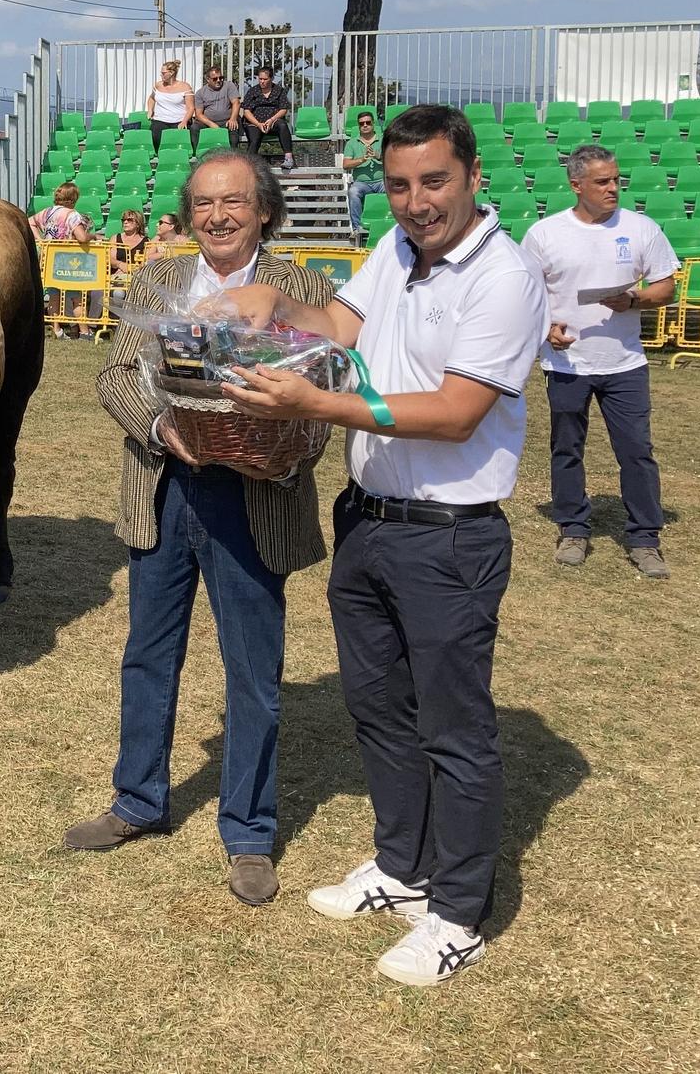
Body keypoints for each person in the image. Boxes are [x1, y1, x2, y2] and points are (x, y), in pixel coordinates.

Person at [218, 104, 545, 986]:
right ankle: (404, 870)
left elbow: (455, 412)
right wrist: (275, 302)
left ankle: (458, 914)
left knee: (454, 731)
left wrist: (314, 406)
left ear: (472, 175)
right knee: (381, 714)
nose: (415, 202)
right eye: (399, 185)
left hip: (450, 537)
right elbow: (341, 328)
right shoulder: (396, 251)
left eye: (433, 181)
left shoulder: (504, 278)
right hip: (368, 519)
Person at [66, 151, 335, 908]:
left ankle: (249, 832)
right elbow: (117, 374)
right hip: (166, 485)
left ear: (264, 211)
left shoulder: (306, 288)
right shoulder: (159, 280)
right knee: (148, 654)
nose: (218, 216)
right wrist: (159, 426)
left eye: (235, 202)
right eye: (205, 204)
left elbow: (324, 392)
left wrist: (282, 452)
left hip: (254, 494)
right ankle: (137, 802)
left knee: (252, 670)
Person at [520, 145, 679, 578]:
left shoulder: (642, 229)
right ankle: (573, 528)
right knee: (566, 449)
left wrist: (635, 299)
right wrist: (546, 329)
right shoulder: (544, 235)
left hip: (626, 364)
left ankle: (645, 538)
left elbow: (668, 288)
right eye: (603, 181)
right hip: (567, 363)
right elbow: (528, 297)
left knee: (636, 451)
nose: (613, 188)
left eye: (615, 179)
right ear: (576, 185)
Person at [30, 181, 93, 339]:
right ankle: (85, 332)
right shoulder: (72, 215)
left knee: (54, 296)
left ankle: (57, 329)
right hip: (68, 259)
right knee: (76, 298)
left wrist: (41, 240)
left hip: (49, 257)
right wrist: (93, 236)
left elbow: (30, 221)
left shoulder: (48, 212)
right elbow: (81, 237)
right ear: (73, 199)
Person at [237, 68, 291, 167]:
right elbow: (246, 111)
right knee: (254, 139)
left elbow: (283, 109)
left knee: (282, 125)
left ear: (271, 78)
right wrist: (258, 124)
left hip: (273, 121)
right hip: (254, 122)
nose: (262, 81)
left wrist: (271, 120)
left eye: (265, 79)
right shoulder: (253, 91)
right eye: (260, 79)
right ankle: (249, 165)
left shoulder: (279, 91)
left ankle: (288, 158)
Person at [342, 110, 383, 237]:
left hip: (382, 181)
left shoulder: (383, 140)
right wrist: (362, 159)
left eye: (368, 122)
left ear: (373, 124)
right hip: (362, 183)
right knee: (353, 191)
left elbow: (394, 160)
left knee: (394, 189)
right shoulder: (352, 143)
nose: (365, 125)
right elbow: (345, 165)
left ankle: (391, 224)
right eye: (361, 123)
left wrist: (378, 156)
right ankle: (356, 228)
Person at [149, 61, 192, 153]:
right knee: (155, 134)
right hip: (160, 120)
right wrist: (150, 110)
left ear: (171, 73)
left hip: (178, 120)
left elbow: (191, 108)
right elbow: (151, 98)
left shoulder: (185, 87)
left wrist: (184, 121)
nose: (161, 75)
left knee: (177, 145)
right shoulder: (158, 85)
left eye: (163, 73)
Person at [190, 66, 238, 138]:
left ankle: (233, 149)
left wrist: (233, 119)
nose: (218, 80)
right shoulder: (200, 93)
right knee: (194, 128)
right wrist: (211, 124)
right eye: (215, 79)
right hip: (207, 122)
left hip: (227, 121)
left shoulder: (229, 86)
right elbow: (198, 114)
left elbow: (236, 103)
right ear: (208, 79)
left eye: (221, 78)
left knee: (233, 127)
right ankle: (195, 149)